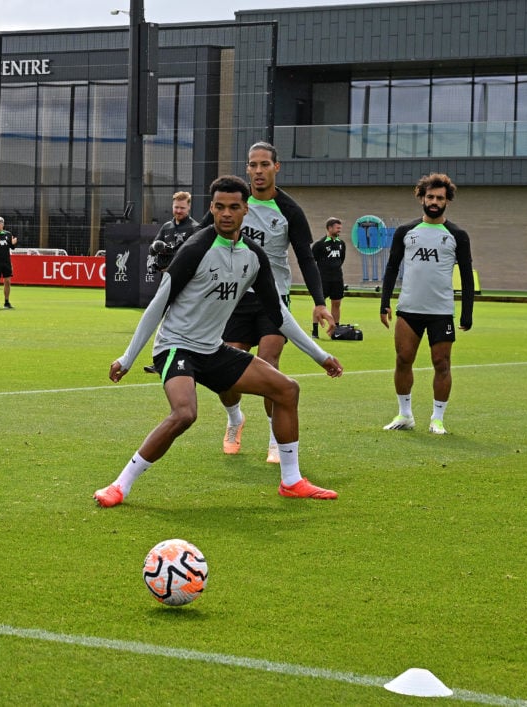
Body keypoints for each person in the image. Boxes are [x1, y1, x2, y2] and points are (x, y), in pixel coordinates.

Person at [93, 175, 342, 509]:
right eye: (220, 207)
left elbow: (278, 312)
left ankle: (291, 481)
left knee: (287, 389)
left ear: (245, 209)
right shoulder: (195, 248)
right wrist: (126, 358)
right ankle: (119, 485)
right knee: (184, 414)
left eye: (234, 207)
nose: (227, 214)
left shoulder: (253, 256)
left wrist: (320, 355)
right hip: (176, 347)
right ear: (211, 208)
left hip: (212, 350)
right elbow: (157, 306)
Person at [205, 142, 334, 463]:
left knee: (269, 365)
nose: (258, 171)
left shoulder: (289, 210)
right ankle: (235, 418)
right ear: (247, 169)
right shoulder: (234, 204)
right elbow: (206, 243)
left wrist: (319, 302)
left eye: (264, 164)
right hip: (234, 300)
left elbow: (306, 257)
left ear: (276, 168)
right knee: (225, 372)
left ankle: (277, 437)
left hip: (274, 300)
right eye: (253, 165)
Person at [380, 172, 474, 435]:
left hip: (441, 312)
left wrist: (467, 313)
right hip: (408, 309)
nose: (434, 201)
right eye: (430, 196)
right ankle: (405, 414)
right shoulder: (405, 232)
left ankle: (437, 419)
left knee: (442, 364)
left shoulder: (458, 235)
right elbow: (391, 267)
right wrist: (384, 302)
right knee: (402, 359)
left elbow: (467, 277)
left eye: (440, 198)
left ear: (447, 201)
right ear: (421, 197)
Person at [147, 191, 200, 274]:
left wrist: (173, 267)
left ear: (189, 207)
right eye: (176, 207)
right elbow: (151, 250)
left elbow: (197, 257)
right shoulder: (166, 226)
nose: (178, 211)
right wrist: (156, 246)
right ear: (172, 206)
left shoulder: (195, 228)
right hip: (165, 279)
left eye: (182, 208)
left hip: (186, 280)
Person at [311, 217, 347, 337]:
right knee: (319, 304)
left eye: (340, 228)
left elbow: (341, 259)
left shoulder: (341, 244)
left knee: (336, 303)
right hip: (323, 279)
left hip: (337, 279)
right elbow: (311, 262)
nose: (339, 231)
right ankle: (315, 330)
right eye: (337, 228)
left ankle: (335, 331)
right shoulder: (319, 245)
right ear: (329, 228)